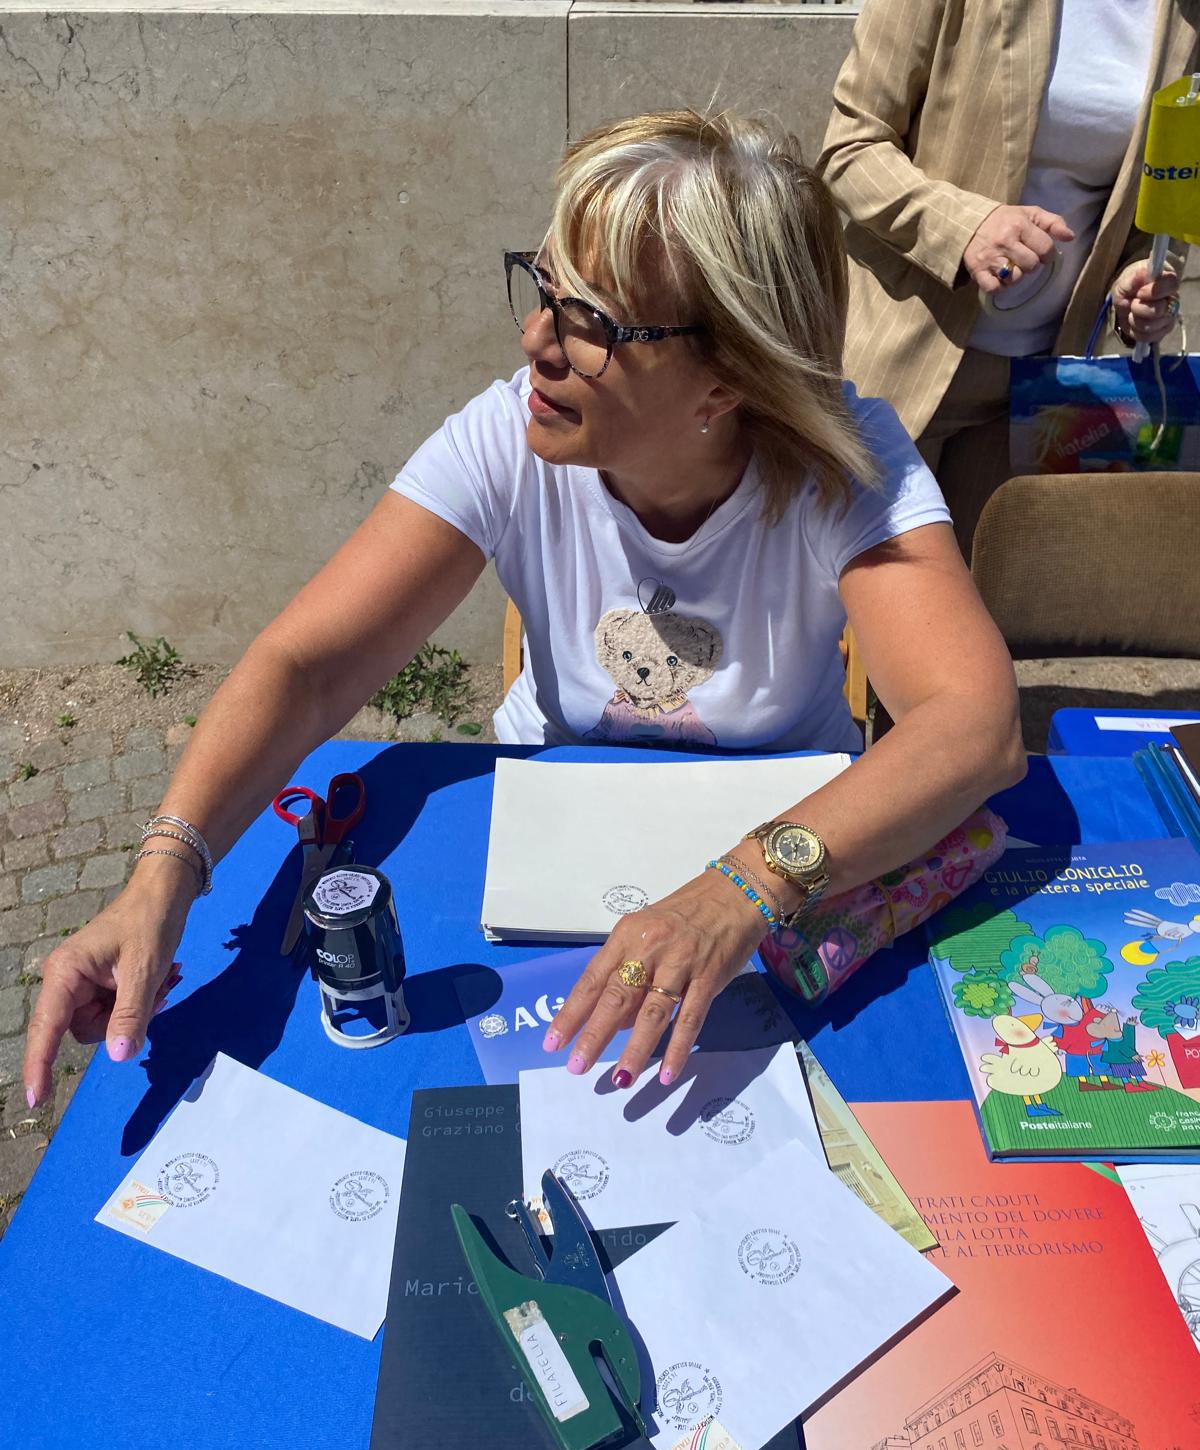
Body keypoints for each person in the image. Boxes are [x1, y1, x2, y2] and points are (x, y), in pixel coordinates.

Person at [21, 110, 1025, 1110]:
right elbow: (309, 667)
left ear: (726, 380)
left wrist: (741, 889)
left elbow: (973, 727)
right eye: (545, 291)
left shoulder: (843, 459)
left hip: (783, 886)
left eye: (592, 324)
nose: (535, 341)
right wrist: (165, 872)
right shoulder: (510, 435)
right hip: (539, 868)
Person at [819, 0, 1197, 555]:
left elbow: (1165, 188)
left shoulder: (1186, 18)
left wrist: (1137, 276)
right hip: (900, 358)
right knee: (857, 595)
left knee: (991, 598)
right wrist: (964, 227)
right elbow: (850, 148)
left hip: (1044, 387)